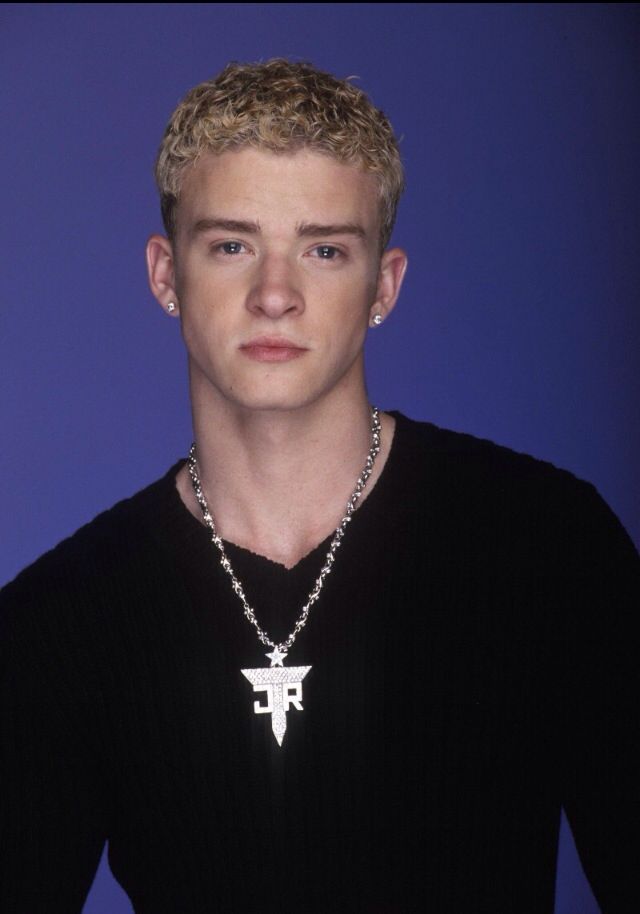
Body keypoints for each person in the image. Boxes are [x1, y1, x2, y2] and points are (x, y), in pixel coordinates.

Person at [0, 58, 638, 914]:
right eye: (232, 245)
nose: (274, 296)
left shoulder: (551, 546)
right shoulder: (60, 623)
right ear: (164, 276)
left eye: (324, 249)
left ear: (384, 284)